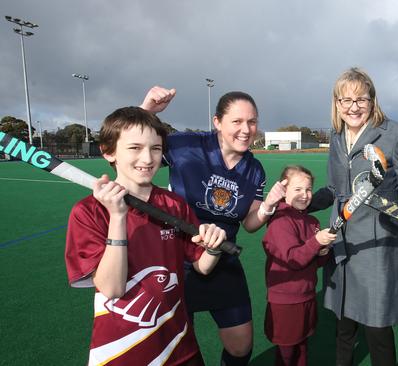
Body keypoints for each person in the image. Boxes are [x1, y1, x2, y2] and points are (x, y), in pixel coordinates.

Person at [64, 106, 227, 365]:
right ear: (109, 152)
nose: (148, 158)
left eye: (155, 148)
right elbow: (112, 288)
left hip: (179, 343)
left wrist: (214, 246)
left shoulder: (175, 205)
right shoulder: (88, 212)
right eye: (135, 148)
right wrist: (118, 217)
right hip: (122, 351)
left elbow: (202, 266)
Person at [140, 87, 286, 366]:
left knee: (241, 346)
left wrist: (268, 206)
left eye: (252, 121)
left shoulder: (255, 170)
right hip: (175, 260)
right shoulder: (185, 146)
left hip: (223, 258)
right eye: (237, 121)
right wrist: (147, 111)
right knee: (177, 348)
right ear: (217, 122)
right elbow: (133, 144)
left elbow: (251, 223)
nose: (246, 129)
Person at [309, 67, 398, 366]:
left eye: (361, 99)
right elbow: (332, 188)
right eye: (345, 100)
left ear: (373, 100)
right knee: (344, 327)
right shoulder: (337, 136)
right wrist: (304, 203)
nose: (353, 107)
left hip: (378, 246)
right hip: (342, 242)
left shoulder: (395, 133)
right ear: (336, 103)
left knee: (377, 330)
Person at [262, 165, 337, 366]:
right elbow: (293, 259)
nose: (304, 195)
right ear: (283, 191)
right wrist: (316, 242)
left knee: (302, 347)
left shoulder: (311, 220)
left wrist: (323, 251)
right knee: (287, 353)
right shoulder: (280, 222)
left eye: (308, 189)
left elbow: (315, 262)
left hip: (307, 295)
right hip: (286, 301)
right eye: (297, 189)